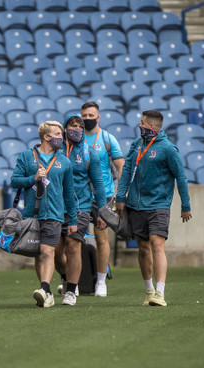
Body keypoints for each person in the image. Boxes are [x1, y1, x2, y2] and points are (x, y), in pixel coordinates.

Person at [115, 110, 192, 307]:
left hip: (159, 205)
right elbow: (125, 173)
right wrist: (121, 196)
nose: (139, 125)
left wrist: (185, 205)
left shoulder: (168, 149)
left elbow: (181, 178)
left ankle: (160, 292)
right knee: (142, 248)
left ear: (150, 126)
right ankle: (149, 289)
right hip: (135, 204)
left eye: (141, 123)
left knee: (157, 244)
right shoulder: (136, 144)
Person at [11, 121, 77, 308]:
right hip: (31, 215)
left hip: (54, 214)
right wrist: (34, 178)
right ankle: (46, 293)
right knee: (38, 255)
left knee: (47, 251)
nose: (61, 137)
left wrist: (72, 219)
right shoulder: (26, 156)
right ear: (46, 137)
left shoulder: (64, 162)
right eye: (57, 134)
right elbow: (14, 181)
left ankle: (45, 289)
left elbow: (68, 194)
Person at [54, 114, 107, 306]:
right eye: (72, 125)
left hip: (80, 207)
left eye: (79, 125)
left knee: (73, 246)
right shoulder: (55, 149)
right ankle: (66, 277)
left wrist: (101, 211)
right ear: (65, 128)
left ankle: (71, 292)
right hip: (56, 207)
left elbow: (98, 184)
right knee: (56, 252)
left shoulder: (89, 152)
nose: (76, 128)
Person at [81, 101, 125, 297]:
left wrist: (119, 192)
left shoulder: (107, 139)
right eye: (85, 116)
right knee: (74, 240)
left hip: (104, 195)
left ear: (98, 117)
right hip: (80, 196)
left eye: (91, 116)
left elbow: (121, 166)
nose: (88, 119)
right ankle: (72, 281)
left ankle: (100, 282)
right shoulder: (76, 138)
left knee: (101, 237)